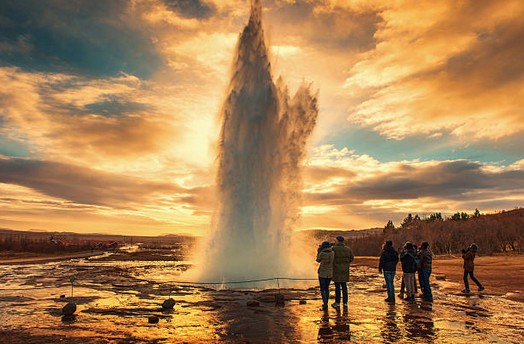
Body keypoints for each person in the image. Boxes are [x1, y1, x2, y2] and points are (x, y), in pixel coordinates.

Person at [331, 236, 354, 309]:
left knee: (337, 286)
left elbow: (331, 258)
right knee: (344, 286)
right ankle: (345, 302)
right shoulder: (348, 249)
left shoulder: (333, 249)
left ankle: (337, 302)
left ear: (337, 241)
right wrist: (346, 263)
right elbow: (351, 258)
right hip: (345, 269)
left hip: (336, 269)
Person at [316, 241, 335, 310]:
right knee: (327, 288)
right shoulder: (333, 253)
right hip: (330, 273)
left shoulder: (322, 253)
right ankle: (326, 302)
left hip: (322, 273)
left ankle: (325, 304)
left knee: (322, 288)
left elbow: (318, 260)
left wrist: (318, 251)